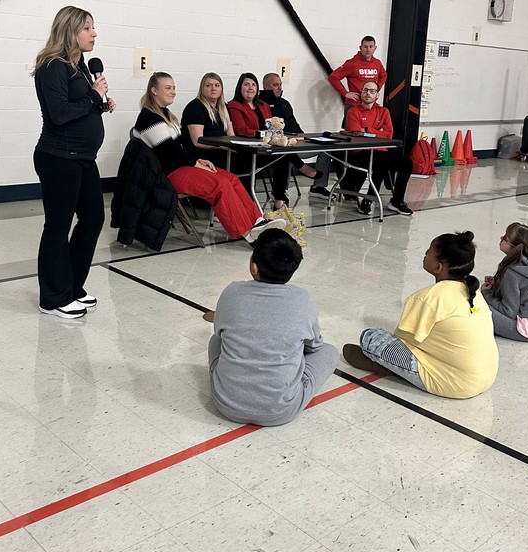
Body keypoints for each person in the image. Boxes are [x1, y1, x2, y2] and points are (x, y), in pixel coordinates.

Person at [32, 6, 116, 319]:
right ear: (70, 31)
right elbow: (60, 114)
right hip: (58, 157)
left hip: (82, 158)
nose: (94, 34)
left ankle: (70, 286)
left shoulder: (79, 66)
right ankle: (52, 298)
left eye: (93, 28)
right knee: (57, 226)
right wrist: (93, 97)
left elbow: (78, 107)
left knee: (93, 219)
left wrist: (98, 105)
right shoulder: (53, 66)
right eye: (87, 28)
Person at [342, 231, 498, 399]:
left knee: (370, 337)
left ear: (439, 267)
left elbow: (402, 343)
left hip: (456, 384)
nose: (425, 254)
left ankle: (395, 371)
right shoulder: (474, 292)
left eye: (429, 251)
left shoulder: (427, 298)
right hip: (487, 377)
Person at [207, 228, 338, 426]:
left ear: (254, 267)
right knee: (330, 352)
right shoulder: (302, 299)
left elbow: (219, 332)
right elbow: (314, 347)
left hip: (226, 404)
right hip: (280, 411)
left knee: (216, 340)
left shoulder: (231, 292)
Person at [134, 72, 285, 242]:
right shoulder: (149, 117)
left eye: (174, 88)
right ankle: (248, 234)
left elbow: (179, 147)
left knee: (231, 179)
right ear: (154, 91)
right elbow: (168, 151)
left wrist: (197, 161)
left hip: (181, 167)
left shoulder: (165, 114)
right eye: (168, 88)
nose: (173, 91)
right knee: (220, 185)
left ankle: (257, 221)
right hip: (166, 175)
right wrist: (195, 163)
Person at [341, 80, 413, 216]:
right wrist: (377, 132)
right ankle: (368, 199)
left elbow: (389, 134)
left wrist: (368, 130)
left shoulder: (383, 111)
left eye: (372, 91)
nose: (368, 93)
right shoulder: (353, 112)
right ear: (361, 93)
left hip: (381, 152)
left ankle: (397, 200)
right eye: (365, 90)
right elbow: (357, 135)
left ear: (377, 95)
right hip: (360, 153)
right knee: (381, 162)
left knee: (407, 163)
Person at [481, 223, 528, 340]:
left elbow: (508, 312)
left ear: (515, 248)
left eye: (505, 238)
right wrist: (499, 284)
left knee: (478, 307)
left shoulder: (512, 272)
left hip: (525, 331)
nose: (501, 238)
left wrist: (486, 293)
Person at [228, 72, 291, 209]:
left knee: (284, 156)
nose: (250, 88)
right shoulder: (234, 105)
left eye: (253, 85)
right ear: (240, 87)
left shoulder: (263, 105)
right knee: (244, 165)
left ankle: (279, 198)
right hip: (245, 151)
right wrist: (261, 134)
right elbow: (240, 130)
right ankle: (247, 204)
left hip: (264, 146)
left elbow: (271, 125)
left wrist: (271, 133)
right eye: (246, 85)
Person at [258, 72, 318, 179]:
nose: (279, 88)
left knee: (327, 150)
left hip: (297, 140)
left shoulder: (285, 103)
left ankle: (318, 187)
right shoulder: (260, 103)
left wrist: (304, 137)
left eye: (280, 85)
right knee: (285, 150)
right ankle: (301, 169)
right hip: (278, 143)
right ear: (265, 86)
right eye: (275, 85)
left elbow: (294, 124)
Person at [327, 35, 387, 113]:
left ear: (375, 48)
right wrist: (345, 93)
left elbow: (383, 75)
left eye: (371, 46)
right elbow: (333, 77)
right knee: (351, 125)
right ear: (360, 47)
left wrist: (376, 89)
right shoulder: (352, 63)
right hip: (354, 105)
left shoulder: (377, 63)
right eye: (365, 47)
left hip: (370, 105)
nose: (368, 50)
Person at [181, 72, 232, 162]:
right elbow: (198, 141)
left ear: (221, 89)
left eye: (217, 85)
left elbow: (231, 134)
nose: (213, 89)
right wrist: (222, 146)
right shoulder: (195, 107)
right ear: (202, 89)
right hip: (204, 154)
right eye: (208, 86)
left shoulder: (224, 107)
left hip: (224, 150)